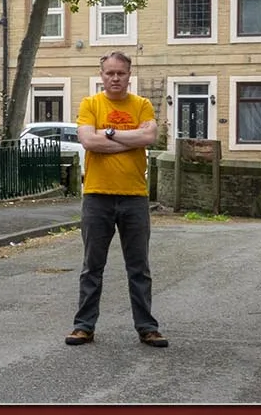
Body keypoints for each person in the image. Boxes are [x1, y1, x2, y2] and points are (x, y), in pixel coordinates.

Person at [67, 51, 167, 348]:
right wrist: (129, 139)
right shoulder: (90, 104)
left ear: (128, 75)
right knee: (92, 266)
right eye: (109, 73)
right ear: (102, 75)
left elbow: (149, 138)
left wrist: (108, 135)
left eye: (120, 73)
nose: (114, 78)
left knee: (139, 268)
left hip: (134, 196)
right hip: (97, 195)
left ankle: (147, 327)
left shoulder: (142, 105)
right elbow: (88, 141)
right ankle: (84, 326)